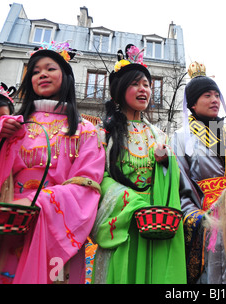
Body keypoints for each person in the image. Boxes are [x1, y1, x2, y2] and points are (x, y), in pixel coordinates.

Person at [0, 41, 105, 284]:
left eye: (50, 68)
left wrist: (37, 201)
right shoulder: (16, 125)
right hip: (10, 224)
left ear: (66, 76)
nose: (42, 75)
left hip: (56, 229)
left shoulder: (85, 131)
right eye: (36, 71)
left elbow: (87, 186)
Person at [90, 44, 186, 284]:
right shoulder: (103, 135)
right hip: (122, 224)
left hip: (154, 223)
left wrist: (165, 162)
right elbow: (97, 178)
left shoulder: (158, 135)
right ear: (119, 91)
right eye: (136, 84)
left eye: (147, 85)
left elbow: (172, 181)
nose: (144, 89)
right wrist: (131, 202)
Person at [170, 61, 226, 284]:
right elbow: (180, 186)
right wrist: (198, 218)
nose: (215, 100)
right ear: (192, 104)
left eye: (216, 95)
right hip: (207, 220)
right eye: (207, 95)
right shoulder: (180, 138)